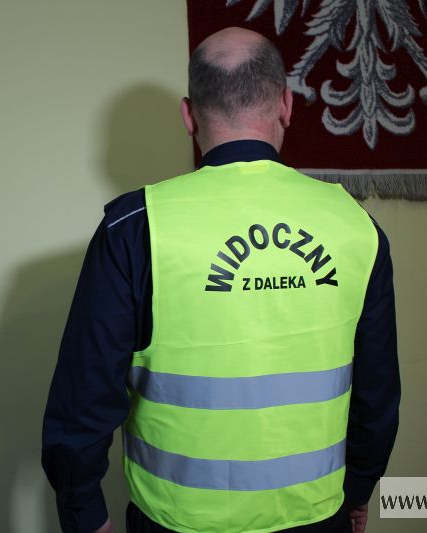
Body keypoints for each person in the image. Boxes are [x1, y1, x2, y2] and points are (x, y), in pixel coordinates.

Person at [42, 27, 400, 533]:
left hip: (176, 522)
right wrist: (359, 491)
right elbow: (377, 394)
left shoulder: (135, 228)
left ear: (189, 116)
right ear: (286, 105)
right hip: (317, 516)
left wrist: (84, 514)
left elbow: (83, 398)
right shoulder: (355, 226)